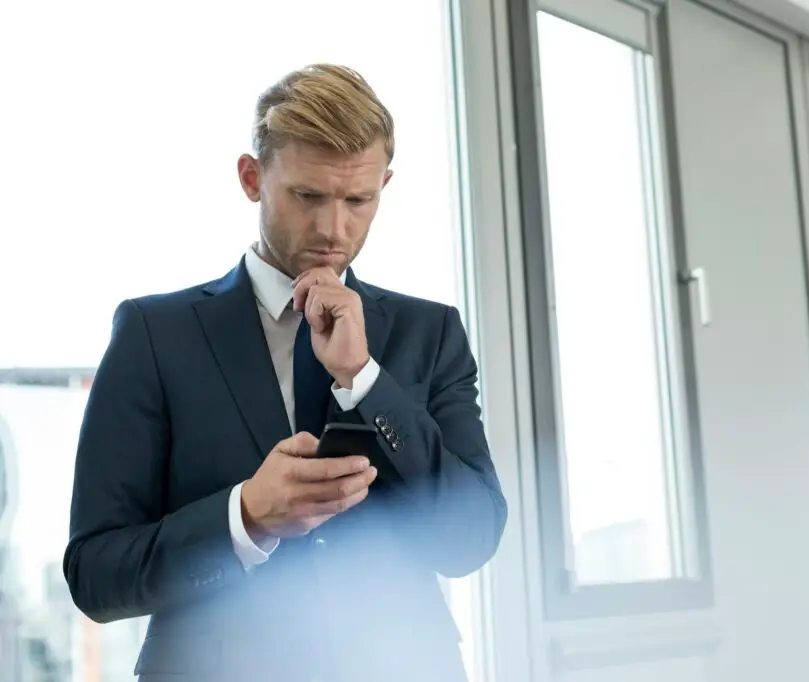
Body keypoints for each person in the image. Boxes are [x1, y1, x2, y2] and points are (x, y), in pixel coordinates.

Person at [62, 64, 507, 682]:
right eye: (308, 196)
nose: (333, 229)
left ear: (384, 185)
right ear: (252, 178)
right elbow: (95, 574)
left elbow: (471, 537)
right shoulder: (153, 335)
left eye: (359, 200)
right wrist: (245, 516)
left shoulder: (430, 333)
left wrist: (365, 379)